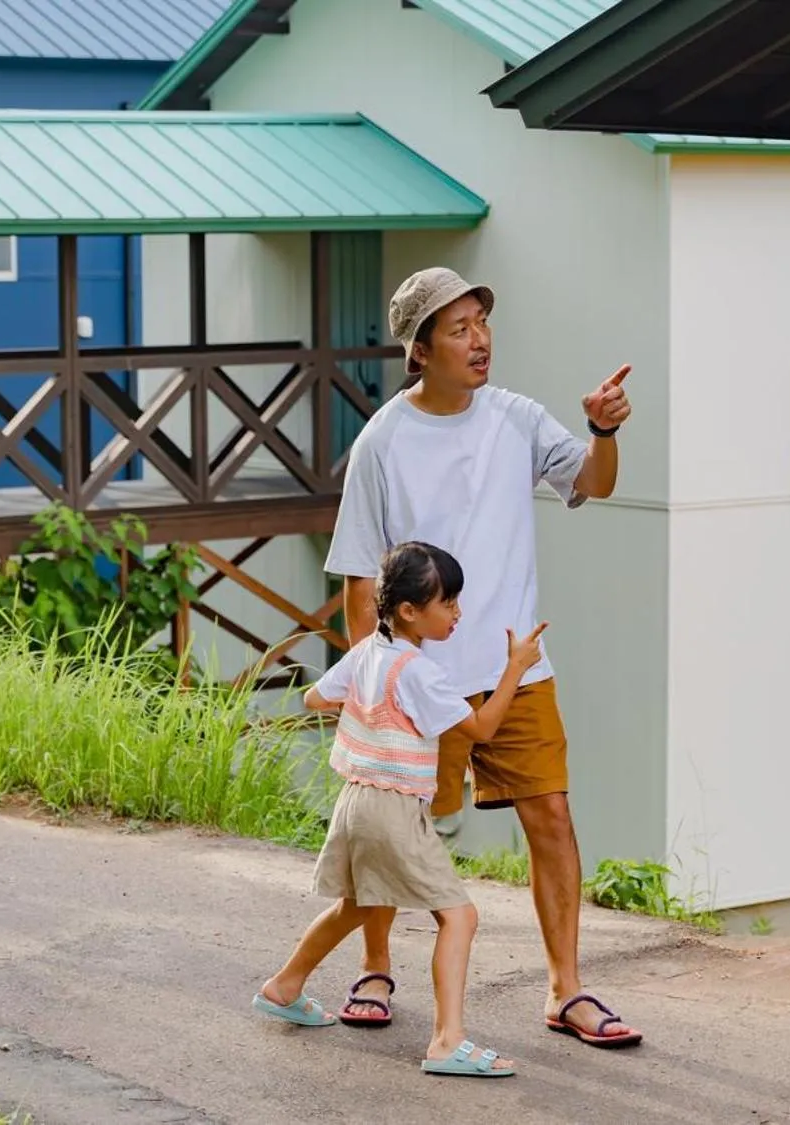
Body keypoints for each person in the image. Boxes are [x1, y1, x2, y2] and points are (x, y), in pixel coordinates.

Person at [320, 267, 642, 1049]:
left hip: (514, 669)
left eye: (480, 323)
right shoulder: (381, 442)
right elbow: (362, 576)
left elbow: (591, 483)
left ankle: (566, 989)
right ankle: (372, 966)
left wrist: (602, 430)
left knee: (553, 818)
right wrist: (374, 681)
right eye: (457, 327)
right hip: (416, 680)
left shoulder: (516, 418)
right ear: (419, 349)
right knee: (391, 832)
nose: (479, 339)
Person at [255, 542, 544, 1078]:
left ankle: (284, 986)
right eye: (448, 602)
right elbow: (481, 729)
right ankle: (446, 1041)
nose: (456, 613)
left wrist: (365, 708)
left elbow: (315, 700)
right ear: (409, 611)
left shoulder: (367, 654)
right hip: (392, 808)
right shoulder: (418, 673)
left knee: (356, 906)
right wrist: (515, 670)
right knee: (459, 915)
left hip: (355, 801)